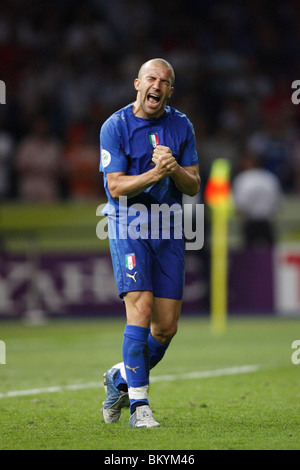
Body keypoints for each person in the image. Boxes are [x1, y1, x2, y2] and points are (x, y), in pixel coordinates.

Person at [99, 58, 200, 428]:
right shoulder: (116, 126)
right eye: (152, 78)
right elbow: (115, 186)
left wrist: (174, 170)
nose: (157, 85)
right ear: (138, 84)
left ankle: (121, 378)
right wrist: (155, 173)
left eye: (166, 82)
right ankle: (139, 407)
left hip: (169, 228)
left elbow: (193, 184)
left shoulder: (181, 124)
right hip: (128, 224)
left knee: (165, 328)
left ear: (170, 91)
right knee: (139, 310)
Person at [232, 154, 282, 247]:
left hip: (250, 222)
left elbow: (239, 205)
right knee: (270, 252)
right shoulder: (270, 178)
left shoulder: (243, 178)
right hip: (266, 222)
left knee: (249, 253)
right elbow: (278, 203)